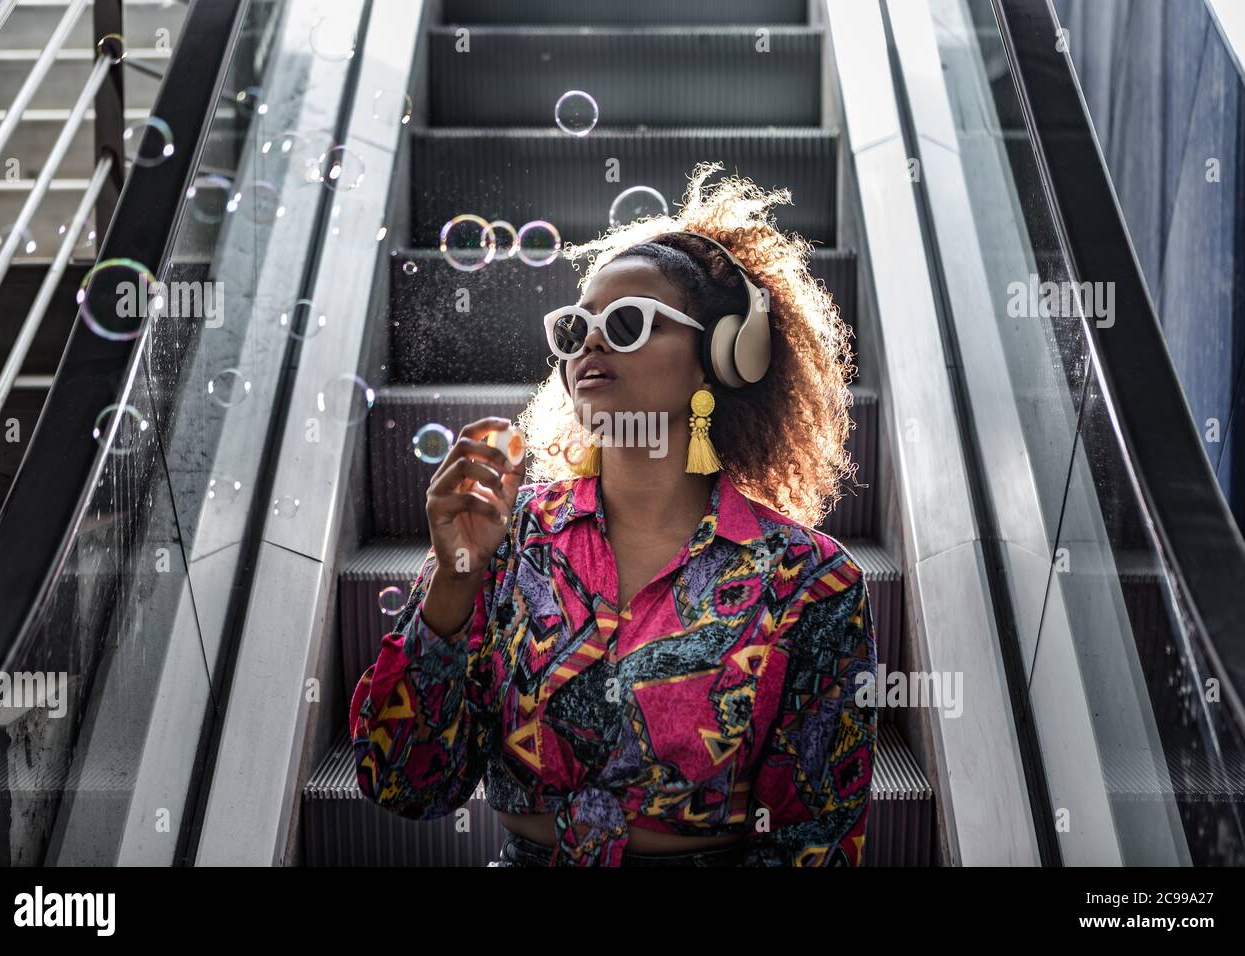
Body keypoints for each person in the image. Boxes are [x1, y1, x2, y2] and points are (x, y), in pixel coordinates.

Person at [349, 163, 877, 866]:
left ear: (722, 357)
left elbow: (816, 843)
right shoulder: (506, 535)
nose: (591, 344)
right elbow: (403, 786)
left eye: (627, 324)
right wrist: (453, 581)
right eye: (576, 328)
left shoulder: (812, 583)